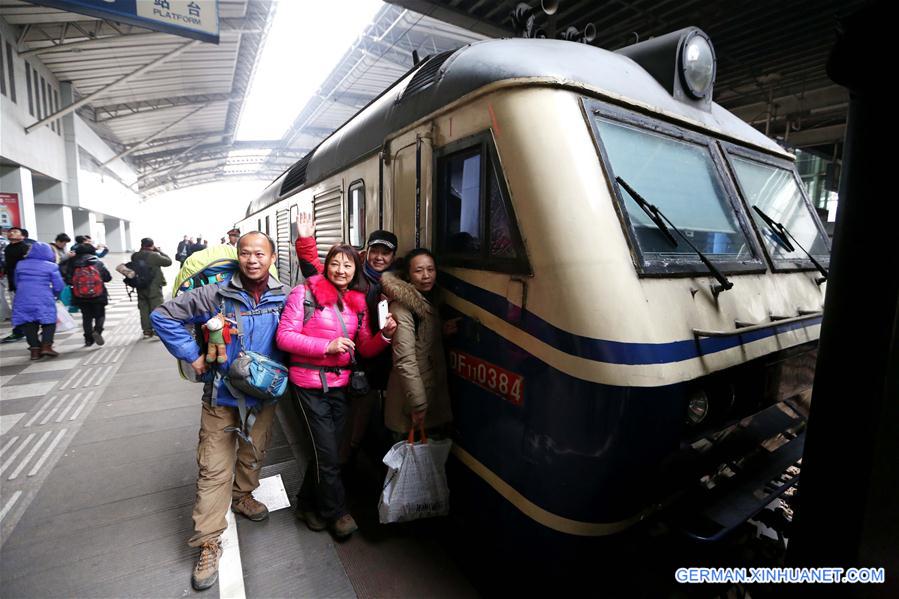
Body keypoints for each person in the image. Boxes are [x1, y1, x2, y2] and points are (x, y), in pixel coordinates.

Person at [150, 231, 287, 591]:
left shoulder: (285, 296)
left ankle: (243, 496)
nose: (253, 260)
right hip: (221, 396)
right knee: (213, 468)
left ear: (272, 257)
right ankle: (208, 542)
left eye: (260, 254)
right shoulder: (215, 294)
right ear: (238, 257)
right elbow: (162, 315)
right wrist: (191, 355)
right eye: (246, 253)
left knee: (254, 453)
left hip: (263, 397)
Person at [276, 243, 396, 538]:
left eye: (348, 265)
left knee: (328, 451)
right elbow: (284, 337)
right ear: (326, 265)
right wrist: (326, 347)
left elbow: (365, 348)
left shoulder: (356, 304)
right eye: (335, 263)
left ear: (356, 270)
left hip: (340, 386)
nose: (341, 270)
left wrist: (385, 336)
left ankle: (306, 504)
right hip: (307, 385)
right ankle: (336, 512)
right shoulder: (303, 294)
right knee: (328, 454)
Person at [294, 213, 399, 462]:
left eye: (386, 253)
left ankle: (346, 456)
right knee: (348, 415)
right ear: (366, 252)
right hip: (346, 359)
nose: (380, 257)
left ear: (393, 257)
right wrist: (306, 239)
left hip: (370, 354)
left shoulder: (395, 283)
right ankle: (341, 461)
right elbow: (314, 270)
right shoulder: (351, 274)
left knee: (359, 411)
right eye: (375, 251)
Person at [380, 248, 455, 438]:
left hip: (425, 390)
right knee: (408, 463)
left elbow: (422, 341)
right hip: (410, 398)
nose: (426, 276)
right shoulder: (402, 309)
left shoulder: (428, 302)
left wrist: (441, 331)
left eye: (431, 269)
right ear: (408, 275)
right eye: (419, 270)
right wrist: (419, 404)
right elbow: (405, 360)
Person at [12, 242, 65, 360]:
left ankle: (34, 351)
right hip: (44, 297)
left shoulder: (20, 264)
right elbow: (59, 286)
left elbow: (16, 282)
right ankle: (46, 346)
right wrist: (54, 295)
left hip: (22, 297)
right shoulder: (51, 266)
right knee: (49, 322)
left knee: (28, 322)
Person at [64, 242, 112, 347]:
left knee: (86, 317)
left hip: (80, 295)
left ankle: (88, 339)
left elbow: (68, 279)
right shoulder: (97, 262)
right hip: (98, 294)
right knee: (100, 315)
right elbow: (108, 278)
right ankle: (98, 331)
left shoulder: (72, 262)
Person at [130, 237, 172, 338]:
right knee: (157, 309)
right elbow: (169, 262)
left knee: (143, 309)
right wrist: (159, 251)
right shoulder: (154, 256)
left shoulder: (135, 255)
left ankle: (147, 331)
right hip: (154, 287)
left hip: (140, 286)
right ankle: (157, 331)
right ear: (152, 245)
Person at [2, 227, 36, 343]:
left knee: (20, 308)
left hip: (23, 282)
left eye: (15, 231)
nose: (11, 233)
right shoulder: (8, 248)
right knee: (21, 307)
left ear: (23, 236)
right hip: (14, 281)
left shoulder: (24, 248)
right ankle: (24, 330)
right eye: (10, 231)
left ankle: (19, 331)